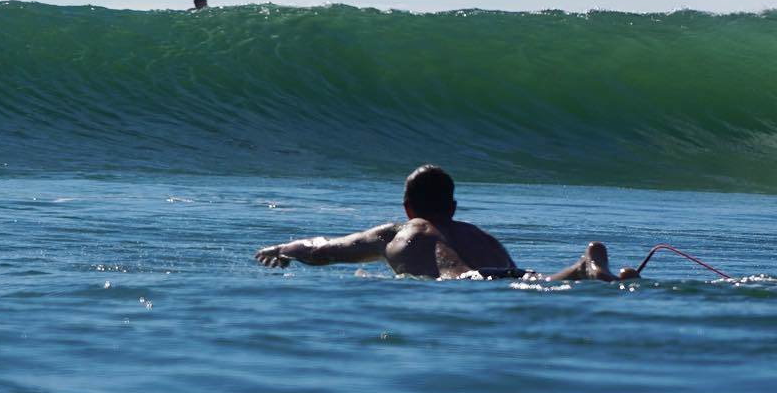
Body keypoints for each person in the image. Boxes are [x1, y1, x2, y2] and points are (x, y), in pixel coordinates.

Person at [254, 164, 638, 281]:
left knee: (483, 283)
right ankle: (582, 267)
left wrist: (282, 249)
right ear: (452, 207)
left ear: (407, 207)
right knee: (528, 283)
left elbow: (325, 250)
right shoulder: (481, 236)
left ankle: (582, 270)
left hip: (463, 284)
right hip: (502, 272)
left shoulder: (399, 232)